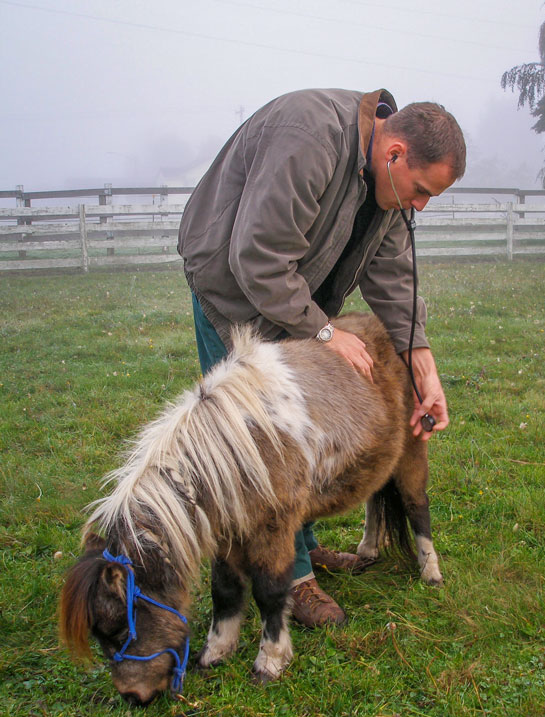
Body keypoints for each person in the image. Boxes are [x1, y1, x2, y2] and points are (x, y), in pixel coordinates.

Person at [177, 87, 466, 628]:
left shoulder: (385, 189)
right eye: (423, 191)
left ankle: (301, 550)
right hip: (233, 294)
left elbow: (393, 276)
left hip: (294, 299)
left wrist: (421, 360)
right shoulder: (309, 137)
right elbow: (258, 258)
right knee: (263, 446)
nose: (422, 206)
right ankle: (292, 579)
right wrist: (326, 333)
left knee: (300, 434)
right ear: (395, 153)